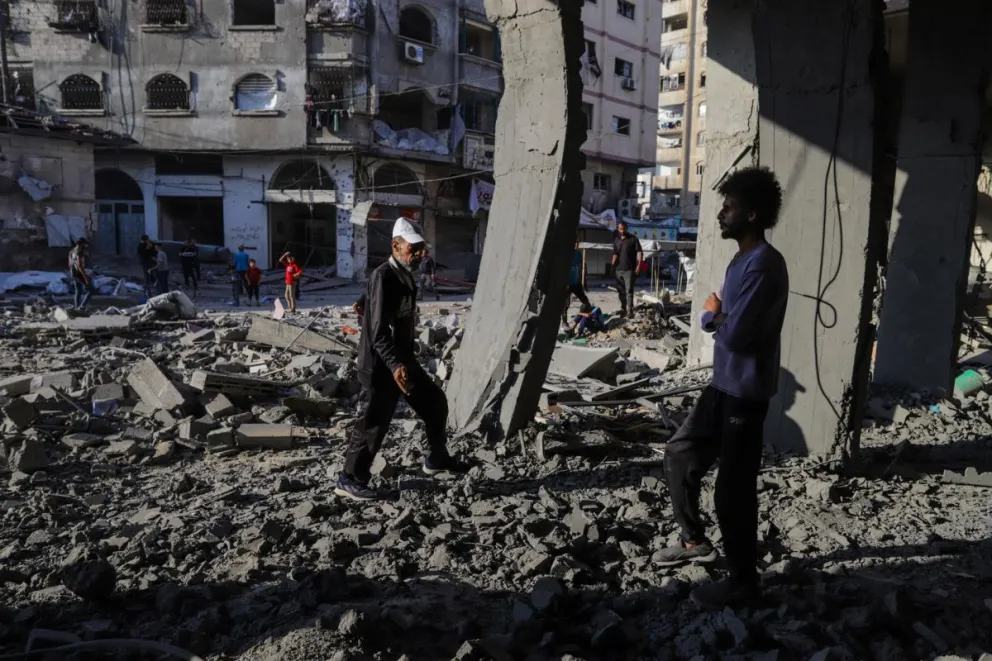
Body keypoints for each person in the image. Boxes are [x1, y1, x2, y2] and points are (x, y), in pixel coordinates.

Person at [654, 166, 789, 610]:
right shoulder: (740, 261)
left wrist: (711, 316)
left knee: (732, 491)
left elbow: (734, 334)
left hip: (745, 395)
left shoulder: (765, 265)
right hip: (722, 385)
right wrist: (720, 317)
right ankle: (694, 541)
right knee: (679, 453)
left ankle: (743, 585)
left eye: (728, 208)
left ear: (752, 215)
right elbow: (731, 325)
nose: (720, 215)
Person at [334, 217, 465, 501]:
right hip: (381, 364)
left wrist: (364, 299)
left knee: (434, 403)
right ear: (396, 245)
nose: (420, 254)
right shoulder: (384, 276)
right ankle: (349, 478)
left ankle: (437, 460)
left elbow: (378, 294)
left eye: (421, 249)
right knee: (373, 422)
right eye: (414, 249)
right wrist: (395, 366)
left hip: (401, 360)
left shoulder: (400, 273)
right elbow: (379, 333)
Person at [611, 221, 643, 317]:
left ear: (627, 228)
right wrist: (612, 265)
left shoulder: (633, 239)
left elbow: (640, 253)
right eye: (620, 229)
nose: (622, 230)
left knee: (629, 291)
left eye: (624, 228)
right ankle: (623, 309)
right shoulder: (616, 240)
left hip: (629, 270)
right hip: (618, 270)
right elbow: (615, 254)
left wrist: (639, 265)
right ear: (618, 229)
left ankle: (630, 311)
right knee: (621, 291)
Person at [563, 237, 591, 322]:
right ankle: (564, 322)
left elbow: (581, 268)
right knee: (565, 305)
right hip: (567, 284)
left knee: (586, 302)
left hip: (576, 283)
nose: (576, 245)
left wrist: (584, 283)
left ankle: (580, 317)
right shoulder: (566, 255)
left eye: (577, 243)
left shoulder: (578, 254)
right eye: (574, 243)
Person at [68, 238, 94, 310]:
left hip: (72, 272)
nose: (86, 245)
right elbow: (80, 265)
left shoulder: (71, 251)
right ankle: (82, 306)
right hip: (78, 273)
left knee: (78, 290)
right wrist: (85, 277)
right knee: (91, 289)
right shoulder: (80, 251)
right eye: (84, 244)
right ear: (80, 244)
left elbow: (69, 264)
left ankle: (77, 307)